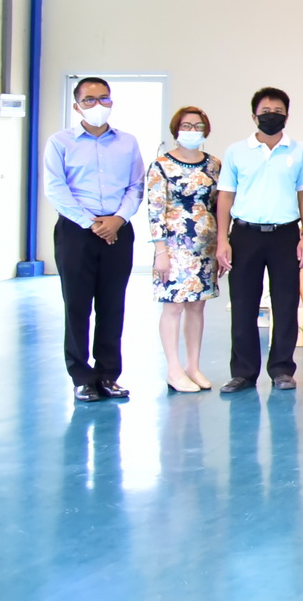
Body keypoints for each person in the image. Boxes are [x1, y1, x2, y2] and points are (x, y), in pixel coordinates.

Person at [43, 77, 145, 402]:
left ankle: (108, 375)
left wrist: (118, 219)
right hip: (76, 231)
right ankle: (82, 378)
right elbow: (55, 188)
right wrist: (91, 223)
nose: (97, 105)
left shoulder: (127, 142)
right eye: (89, 100)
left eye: (104, 98)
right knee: (77, 305)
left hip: (118, 229)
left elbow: (136, 186)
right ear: (77, 106)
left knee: (112, 305)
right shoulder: (60, 142)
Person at [214, 87, 303, 394]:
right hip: (244, 235)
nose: (272, 116)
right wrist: (222, 239)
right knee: (243, 304)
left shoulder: (299, 151)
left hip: (285, 234)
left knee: (286, 303)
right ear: (254, 116)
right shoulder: (236, 151)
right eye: (265, 111)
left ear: (287, 116)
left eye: (278, 111)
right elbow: (225, 196)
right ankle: (243, 373)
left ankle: (282, 369)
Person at [144, 106, 219, 393]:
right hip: (174, 246)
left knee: (197, 305)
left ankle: (193, 367)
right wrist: (160, 251)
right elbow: (155, 209)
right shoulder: (161, 165)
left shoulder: (213, 164)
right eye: (186, 126)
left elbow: (218, 203)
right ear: (176, 129)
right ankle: (173, 369)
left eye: (198, 126)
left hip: (205, 245)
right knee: (174, 305)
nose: (192, 131)